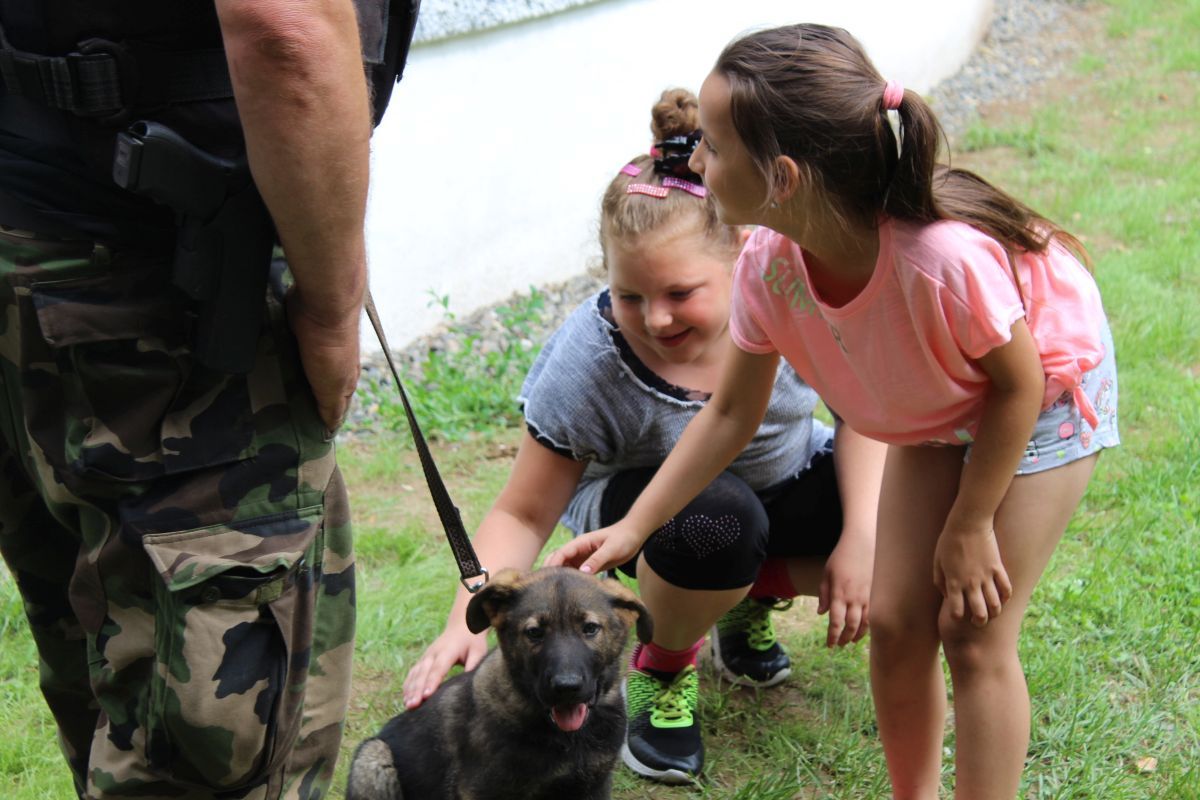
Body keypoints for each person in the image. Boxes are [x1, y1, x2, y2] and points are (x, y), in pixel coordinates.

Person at [548, 23, 1121, 800]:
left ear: (781, 176)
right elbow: (730, 415)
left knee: (973, 631)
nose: (698, 162)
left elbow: (1017, 385)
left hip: (1042, 396)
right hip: (936, 399)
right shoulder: (769, 264)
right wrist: (634, 527)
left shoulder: (941, 263)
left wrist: (970, 523)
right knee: (899, 620)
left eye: (714, 145)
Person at [403, 87, 885, 785]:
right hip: (653, 517)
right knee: (715, 517)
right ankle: (665, 662)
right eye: (630, 296)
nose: (655, 318)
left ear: (742, 252)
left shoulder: (789, 295)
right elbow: (524, 511)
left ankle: (741, 598)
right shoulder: (588, 359)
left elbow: (861, 412)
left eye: (681, 293)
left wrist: (862, 536)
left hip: (783, 481)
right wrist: (464, 622)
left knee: (904, 516)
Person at [0, 1, 417, 797]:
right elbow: (284, 27)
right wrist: (332, 310)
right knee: (201, 749)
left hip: (39, 242)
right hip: (160, 289)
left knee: (107, 656)